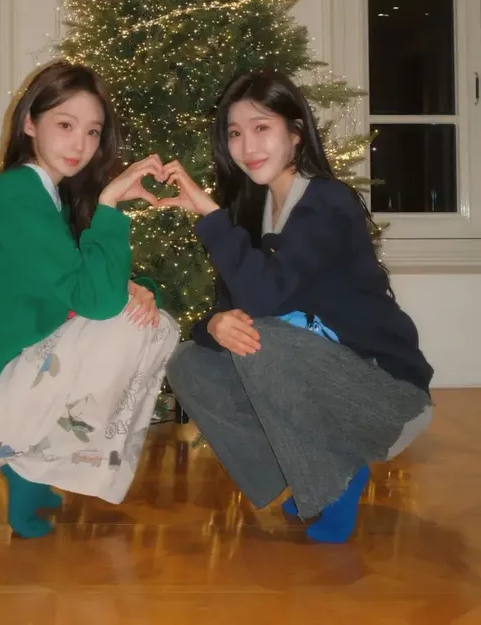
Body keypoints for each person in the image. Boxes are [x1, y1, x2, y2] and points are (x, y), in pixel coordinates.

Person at [162, 70, 433, 544]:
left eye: (261, 127)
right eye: (235, 133)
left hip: (384, 395)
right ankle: (304, 475)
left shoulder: (326, 203)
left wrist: (209, 215)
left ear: (296, 132)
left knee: (265, 339)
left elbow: (265, 298)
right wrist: (215, 324)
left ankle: (337, 477)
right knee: (190, 361)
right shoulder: (252, 214)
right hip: (314, 382)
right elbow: (234, 311)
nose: (247, 146)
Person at [0, 60, 180, 538]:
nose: (81, 144)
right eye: (65, 125)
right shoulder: (15, 195)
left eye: (93, 132)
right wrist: (110, 205)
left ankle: (34, 469)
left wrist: (138, 289)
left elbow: (81, 292)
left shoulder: (45, 199)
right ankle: (31, 467)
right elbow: (97, 302)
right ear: (30, 124)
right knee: (137, 325)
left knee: (151, 323)